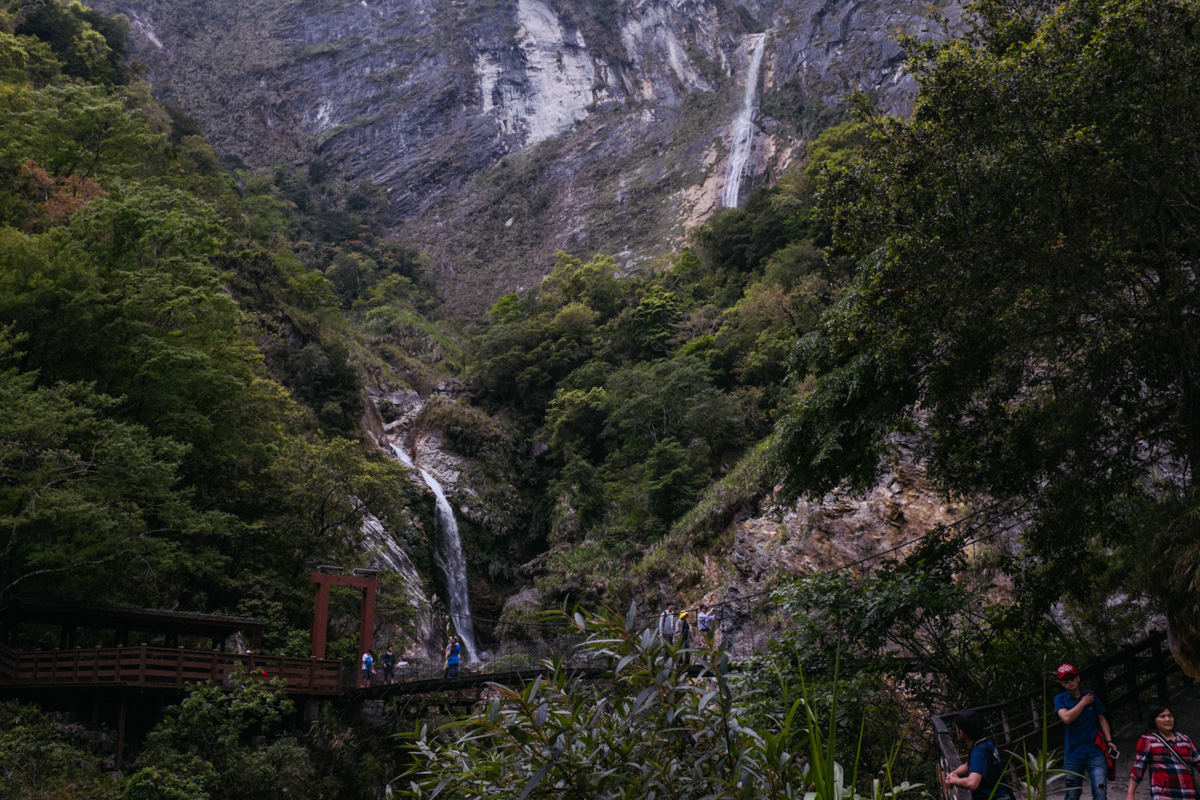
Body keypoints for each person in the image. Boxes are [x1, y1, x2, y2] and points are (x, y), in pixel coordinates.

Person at [1055, 663, 1117, 800]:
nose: (1070, 682)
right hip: (1073, 753)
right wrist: (1083, 702)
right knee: (1072, 795)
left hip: (1095, 751)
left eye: (1071, 678)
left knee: (1100, 791)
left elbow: (1101, 718)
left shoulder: (1091, 695)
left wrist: (1109, 741)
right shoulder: (1060, 699)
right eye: (1066, 680)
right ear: (1061, 683)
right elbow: (1066, 718)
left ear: (1078, 678)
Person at [1126, 703, 1200, 800]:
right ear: (1153, 721)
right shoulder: (1148, 741)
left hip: (1189, 796)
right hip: (1164, 796)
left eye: (1169, 716)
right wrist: (1130, 795)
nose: (1167, 719)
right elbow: (1137, 770)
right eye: (1162, 716)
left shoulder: (1185, 739)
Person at [946, 710, 1014, 800]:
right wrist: (954, 773)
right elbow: (968, 765)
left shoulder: (978, 752)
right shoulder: (984, 743)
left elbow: (972, 783)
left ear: (961, 733)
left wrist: (954, 781)